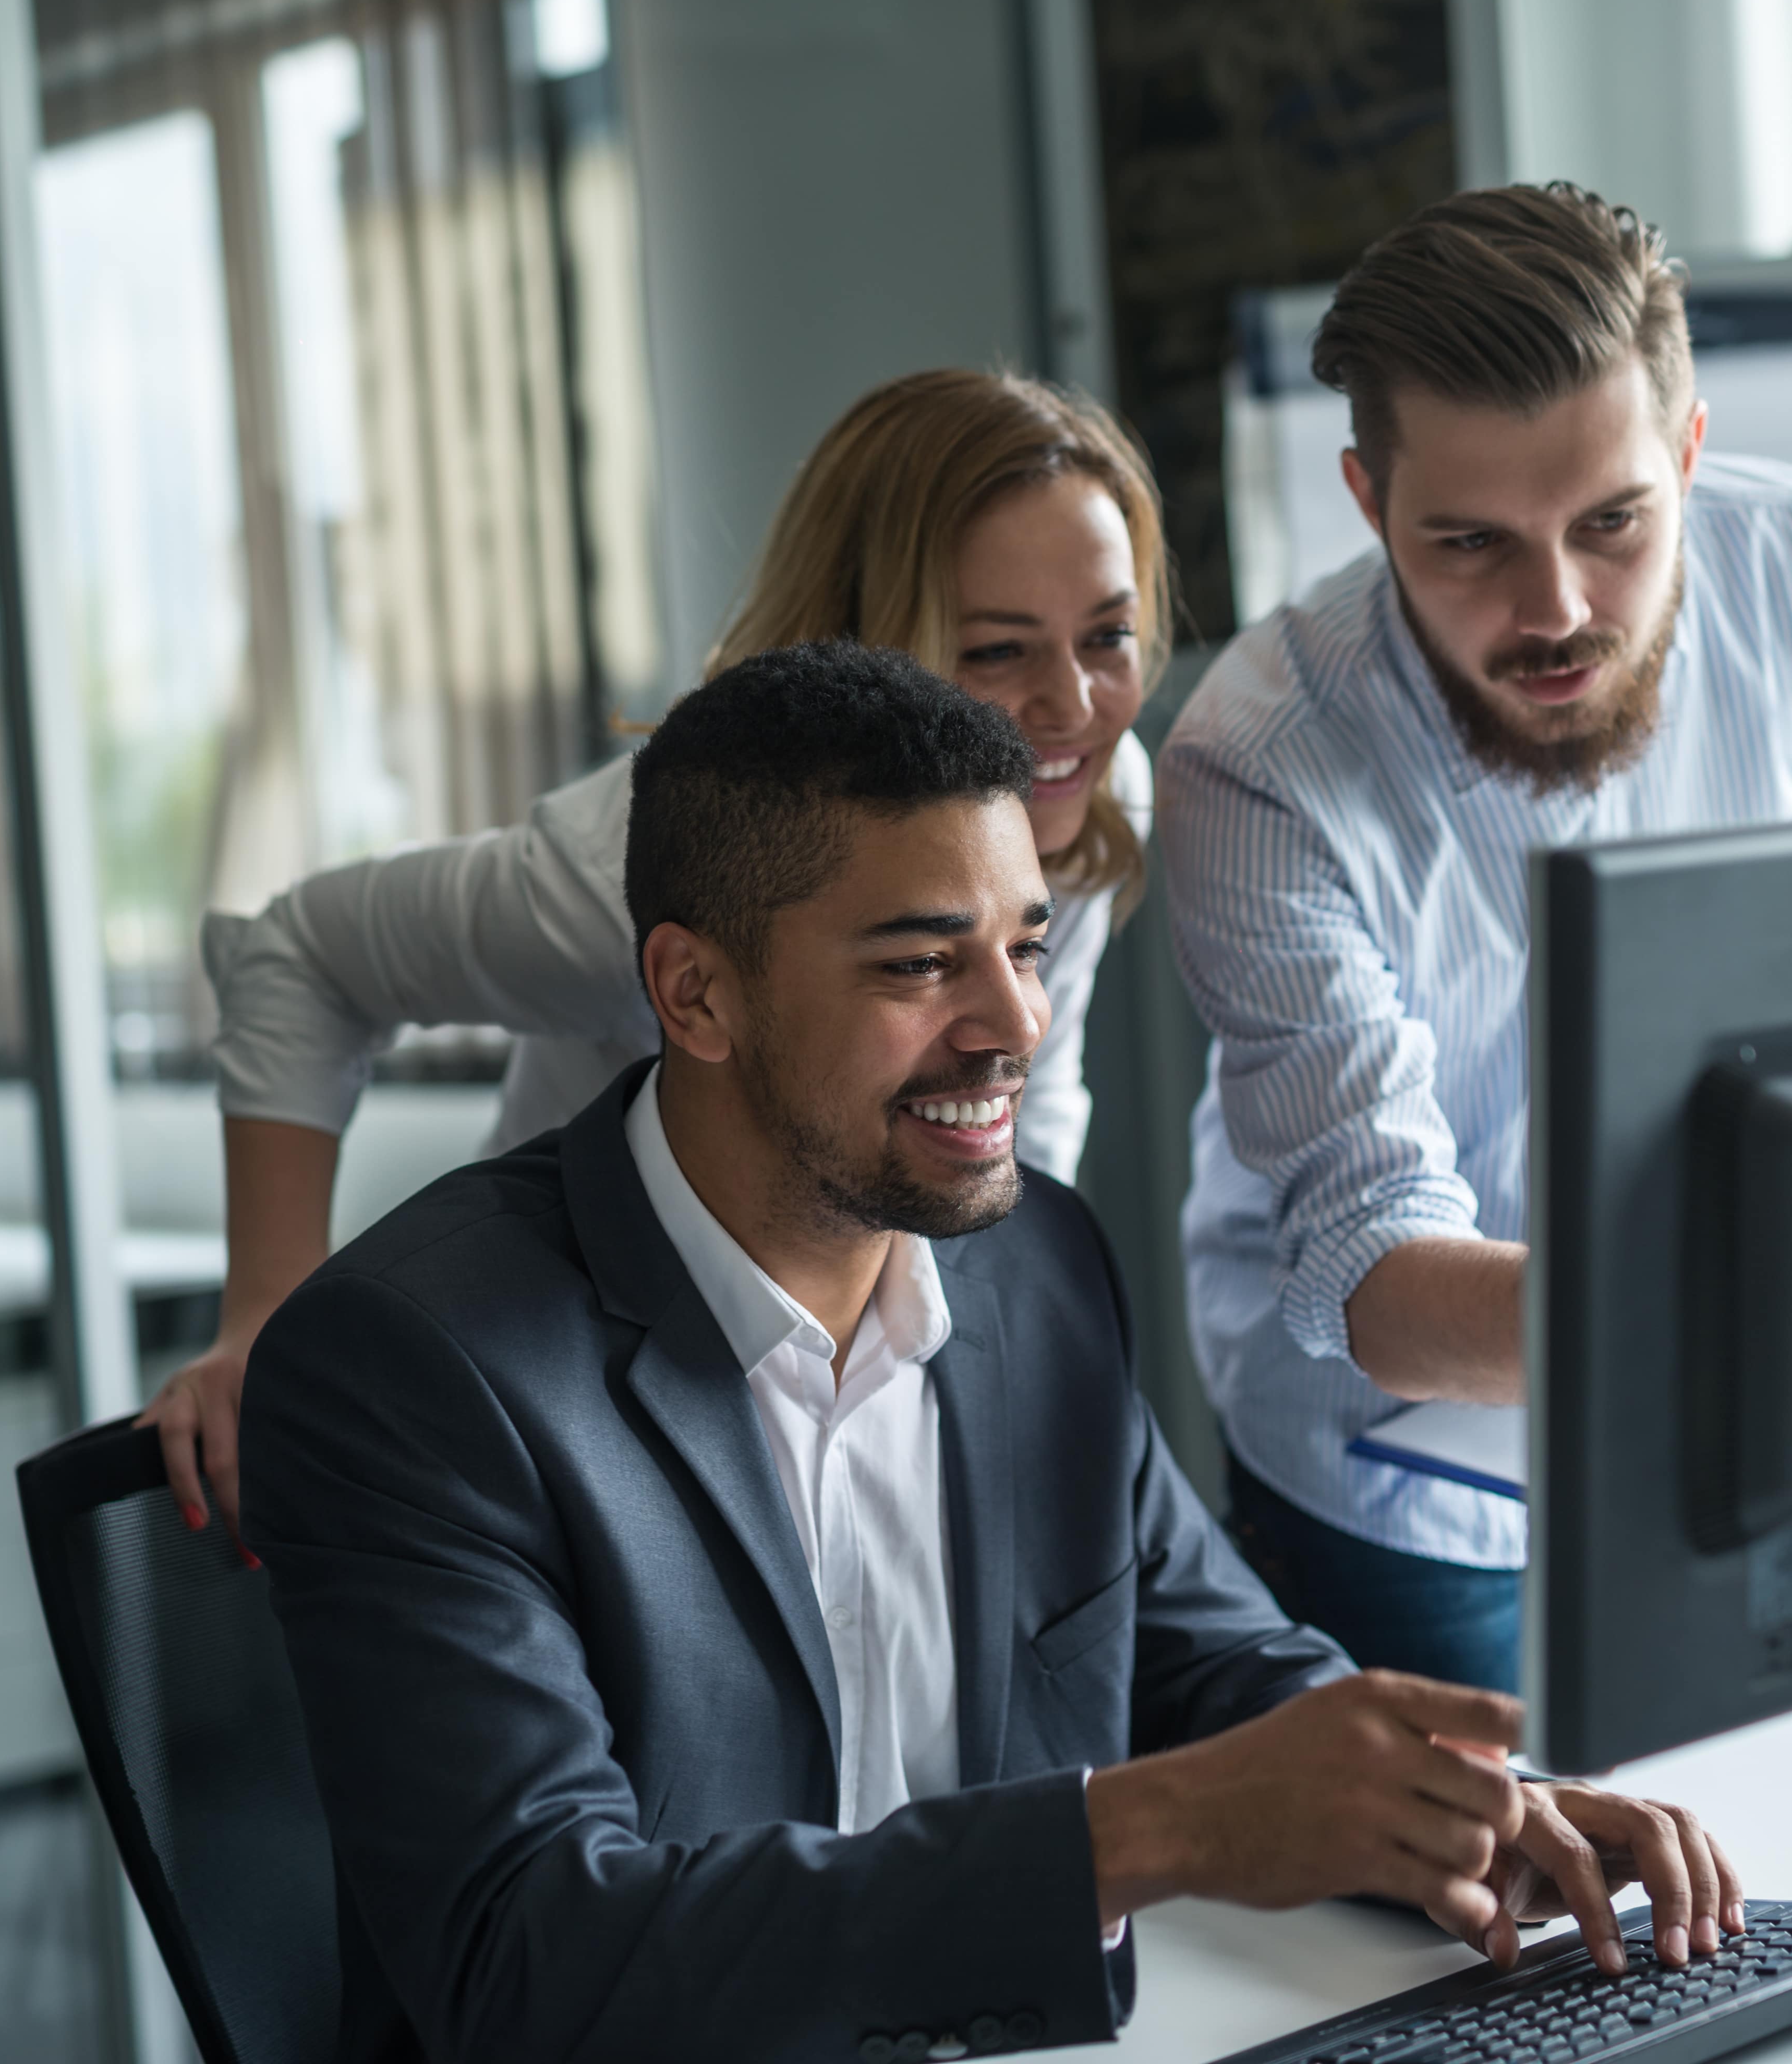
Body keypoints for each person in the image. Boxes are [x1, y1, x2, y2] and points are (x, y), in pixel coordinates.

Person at [240, 645, 1742, 2064]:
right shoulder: (417, 1369)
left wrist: (1471, 1808)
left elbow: (1208, 1661)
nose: (1013, 1022)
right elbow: (533, 1963)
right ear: (695, 992)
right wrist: (1136, 1835)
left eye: (1026, 945)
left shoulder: (1036, 1268)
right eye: (918, 967)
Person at [149, 370, 1169, 1538]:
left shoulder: (1079, 796)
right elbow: (301, 953)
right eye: (996, 653)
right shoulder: (637, 868)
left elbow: (1015, 1131)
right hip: (578, 1369)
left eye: (1109, 637)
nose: (1072, 705)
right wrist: (264, 1320)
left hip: (836, 1355)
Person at [1159, 184, 1792, 1692]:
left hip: (1747, 1413)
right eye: (1472, 543)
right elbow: (1383, 1275)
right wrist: (1782, 1303)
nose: (1557, 607)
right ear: (1370, 504)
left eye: (1615, 523)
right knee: (1483, 1928)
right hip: (1404, 1493)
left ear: (1688, 455)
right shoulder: (1257, 762)